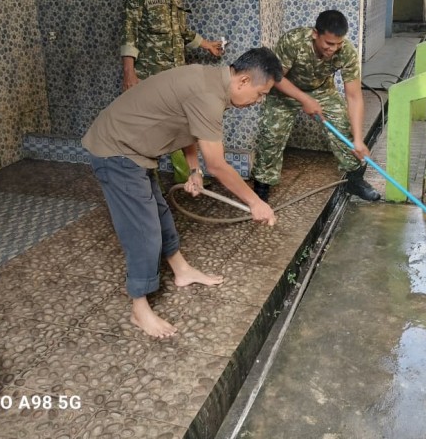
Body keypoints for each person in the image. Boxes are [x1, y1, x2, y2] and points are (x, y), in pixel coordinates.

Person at [83, 48, 283, 338]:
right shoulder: (208, 96)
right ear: (243, 80)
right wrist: (255, 202)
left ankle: (182, 270)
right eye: (261, 93)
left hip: (133, 151)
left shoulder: (211, 82)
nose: (258, 101)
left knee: (159, 212)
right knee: (143, 230)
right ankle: (139, 309)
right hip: (116, 151)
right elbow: (217, 164)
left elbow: (187, 126)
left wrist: (193, 170)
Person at [120, 0, 223, 183]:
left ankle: (187, 175)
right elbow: (129, 30)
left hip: (176, 73)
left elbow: (182, 30)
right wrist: (129, 73)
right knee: (149, 130)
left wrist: (207, 44)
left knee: (183, 124)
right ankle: (148, 182)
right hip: (149, 74)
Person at [252, 10, 381, 202]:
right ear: (315, 34)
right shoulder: (293, 41)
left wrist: (359, 139)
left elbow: (354, 97)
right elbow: (275, 77)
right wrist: (304, 99)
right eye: (329, 44)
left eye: (338, 44)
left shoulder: (346, 51)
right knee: (271, 133)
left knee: (345, 128)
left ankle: (355, 180)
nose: (333, 49)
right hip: (285, 89)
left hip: (321, 90)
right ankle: (262, 185)